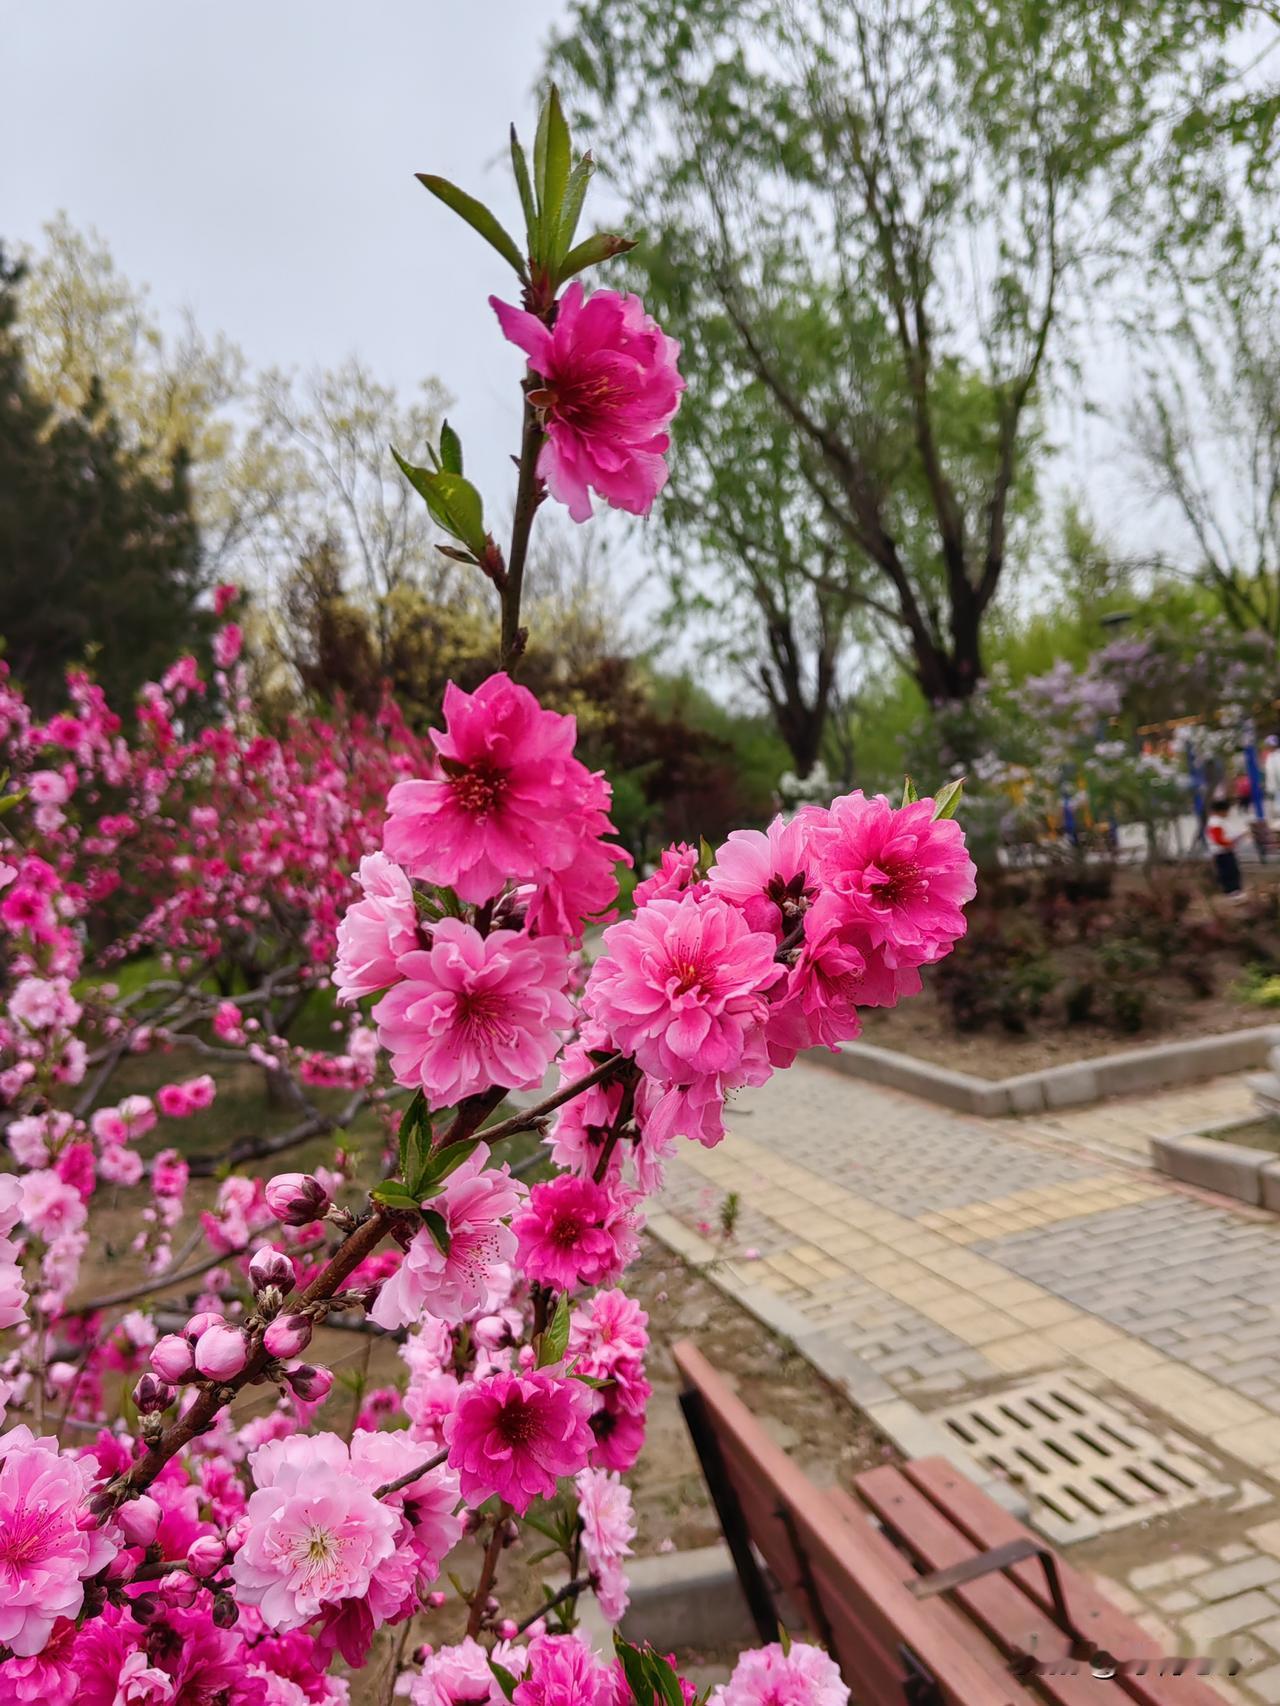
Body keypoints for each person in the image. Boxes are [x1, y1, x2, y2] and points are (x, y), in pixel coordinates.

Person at [1206, 795, 1246, 898]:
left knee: (1233, 870)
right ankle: (1231, 891)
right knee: (1228, 872)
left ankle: (1236, 890)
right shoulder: (1215, 822)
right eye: (1227, 811)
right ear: (1221, 811)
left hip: (1227, 850)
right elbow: (1218, 838)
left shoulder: (1220, 821)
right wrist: (1229, 844)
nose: (1228, 813)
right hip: (1222, 852)